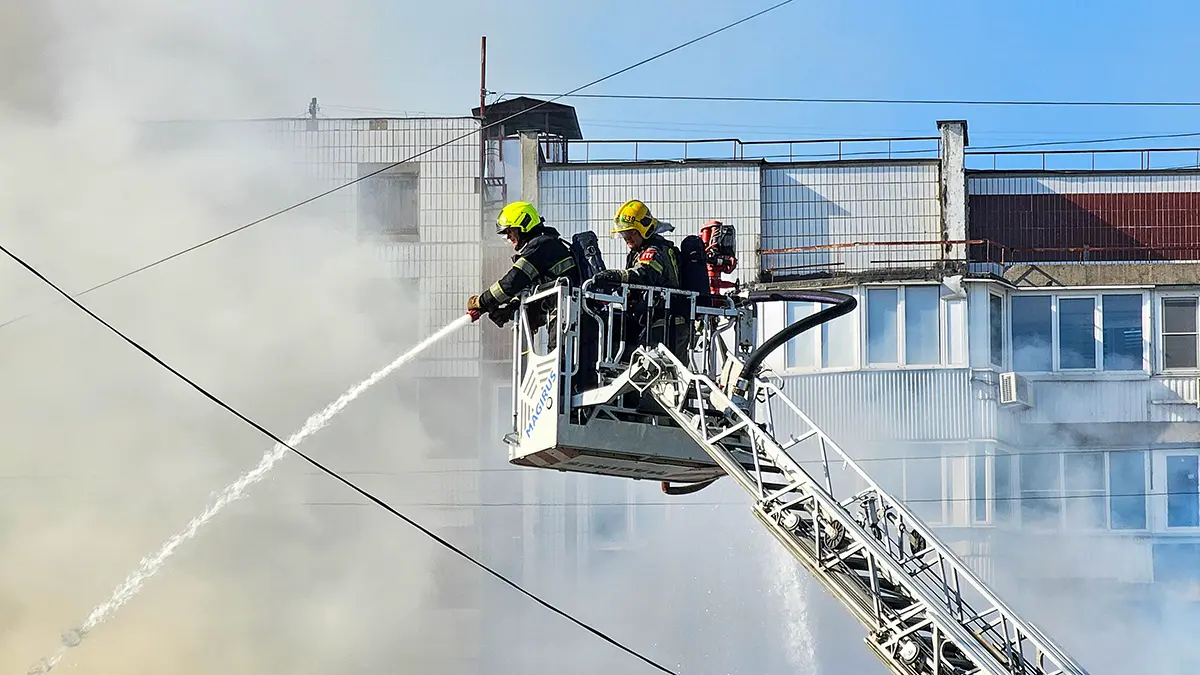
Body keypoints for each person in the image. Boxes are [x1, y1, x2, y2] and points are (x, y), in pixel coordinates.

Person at [591, 199, 691, 361]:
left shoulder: (655, 251)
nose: (626, 238)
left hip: (667, 323)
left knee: (655, 370)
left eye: (630, 233)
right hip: (655, 321)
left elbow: (643, 274)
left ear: (643, 229)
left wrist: (615, 276)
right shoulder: (639, 251)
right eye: (623, 234)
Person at [467, 200, 580, 328]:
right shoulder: (544, 245)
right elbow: (529, 291)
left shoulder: (541, 247)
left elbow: (512, 282)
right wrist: (509, 310)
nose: (508, 237)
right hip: (569, 318)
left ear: (524, 225)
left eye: (510, 231)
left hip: (571, 320)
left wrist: (482, 302)